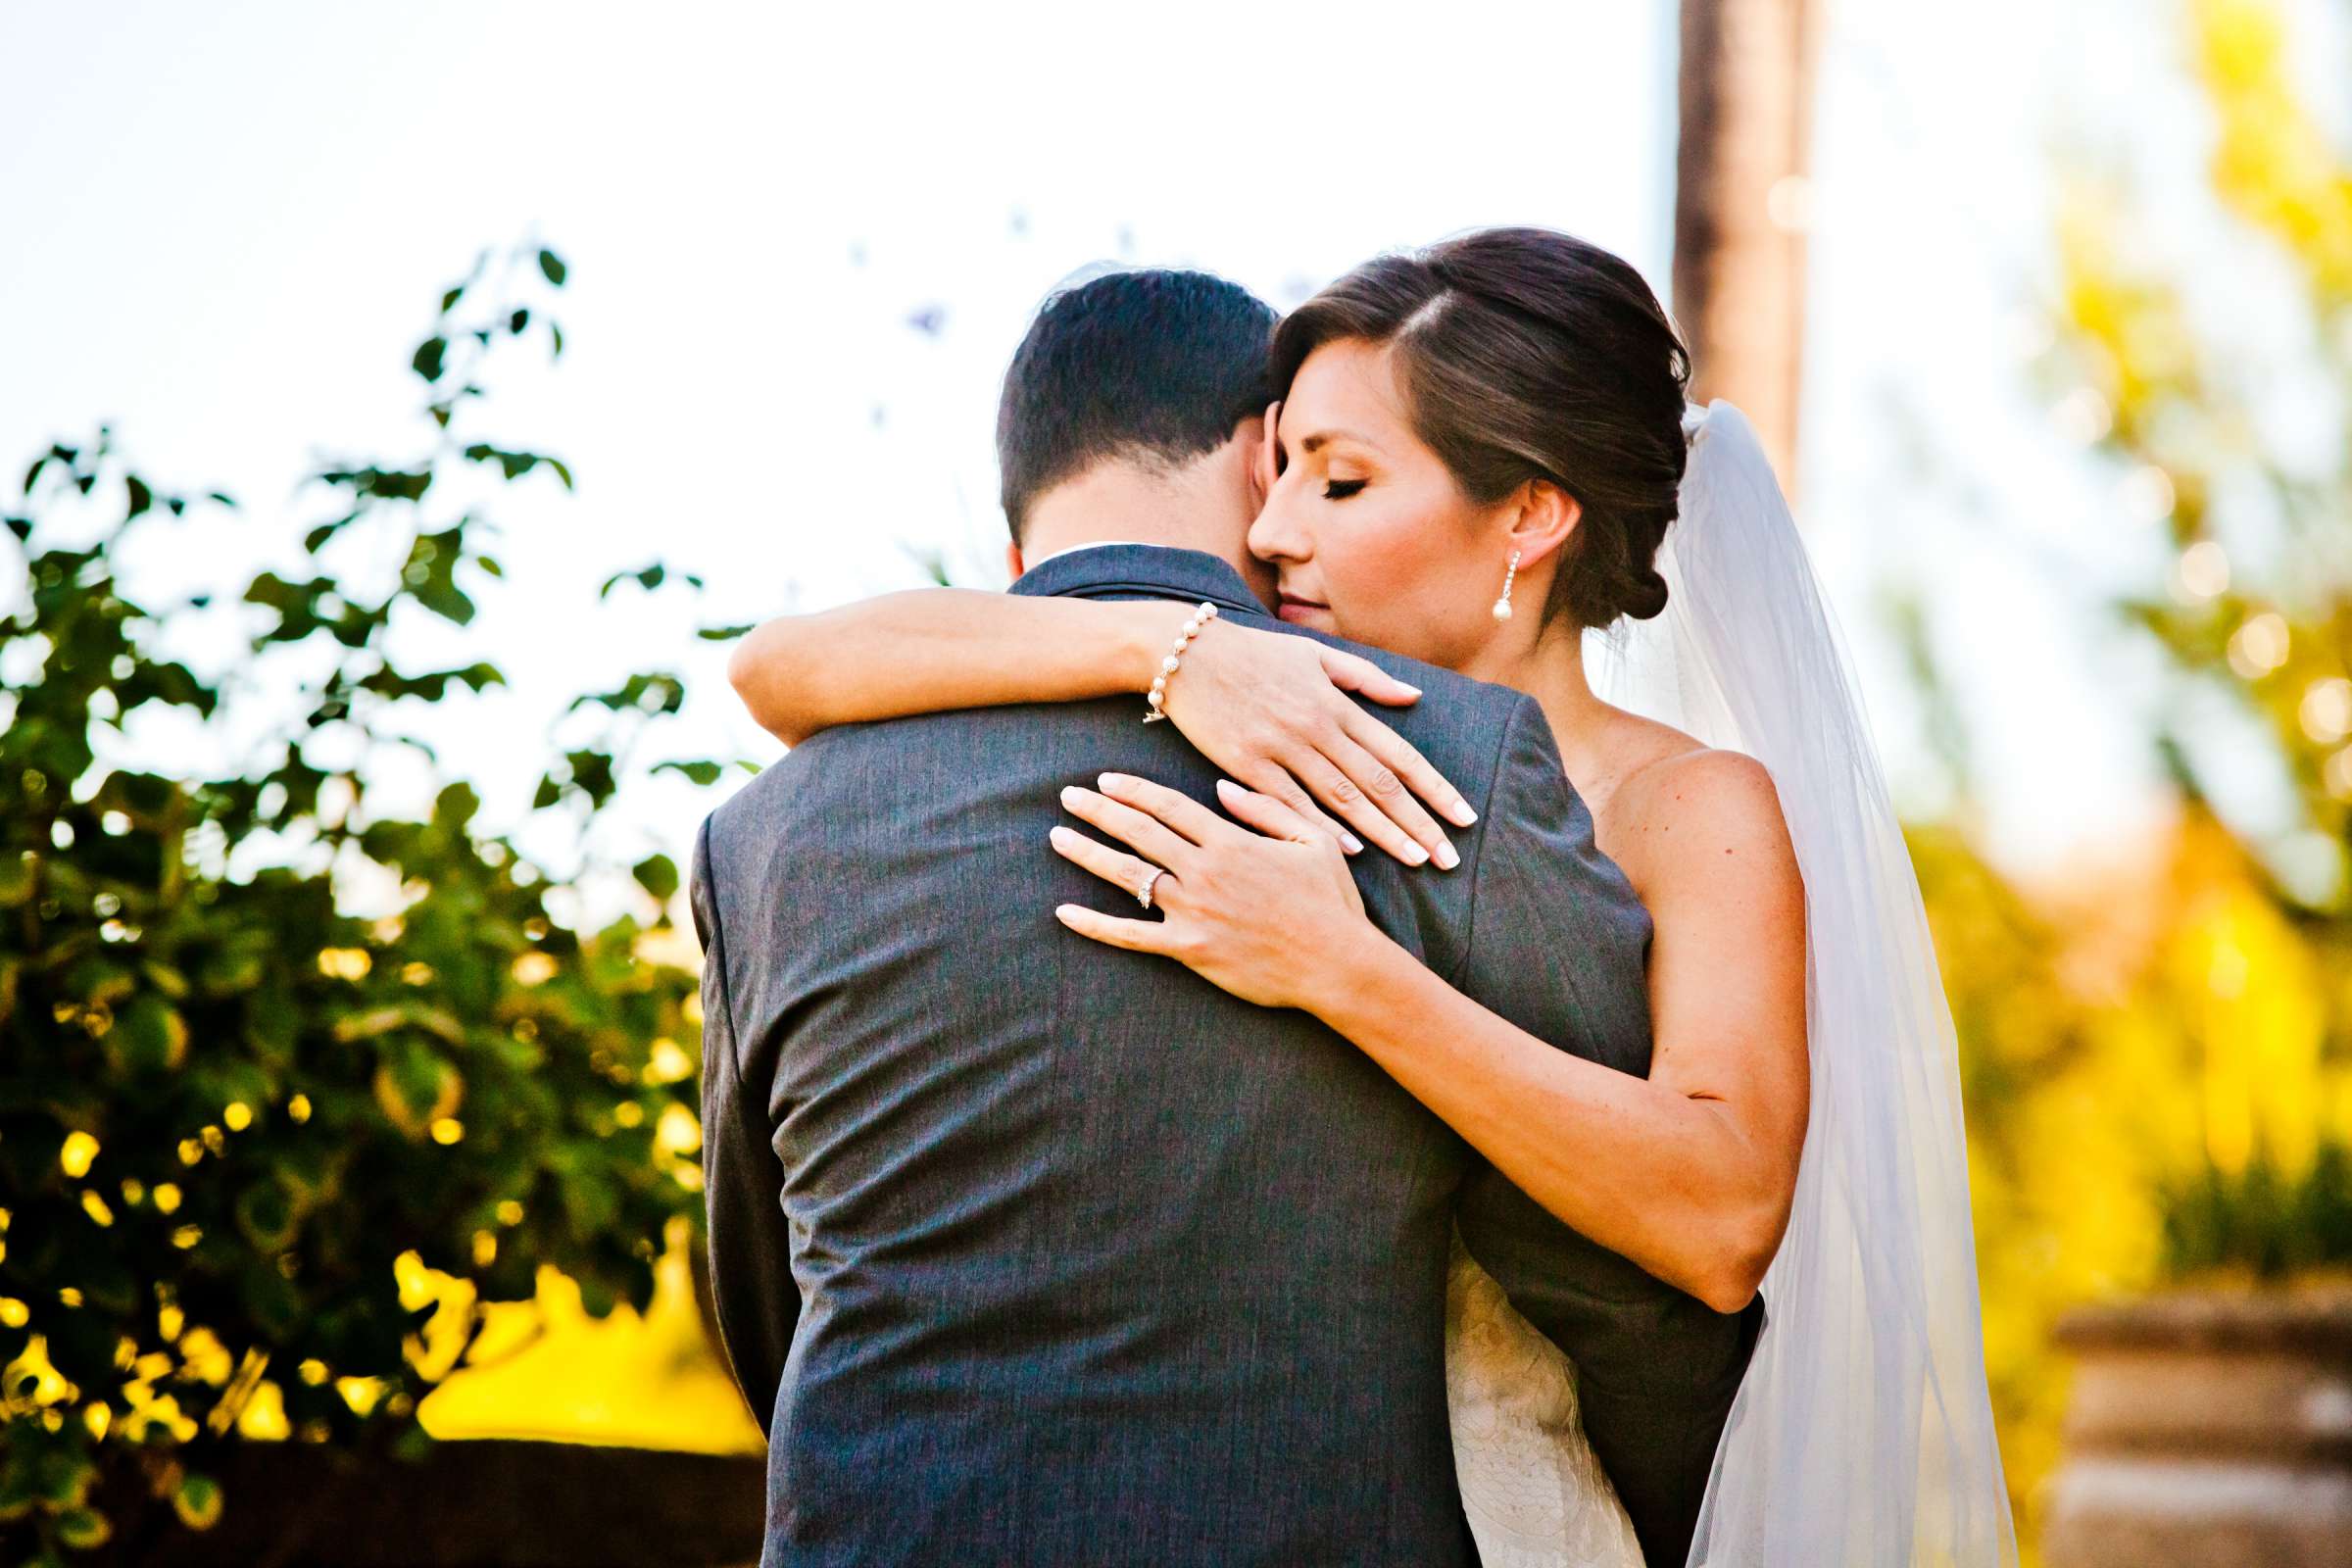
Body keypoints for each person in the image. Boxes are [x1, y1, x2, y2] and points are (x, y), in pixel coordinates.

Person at [727, 228, 2020, 1566]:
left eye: (1337, 484)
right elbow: (783, 667)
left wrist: (1341, 968)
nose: (1270, 532)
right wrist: (1170, 648)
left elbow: (1721, 1218)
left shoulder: (1692, 809)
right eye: (1279, 472)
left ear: (1529, 513)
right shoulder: (1258, 701)